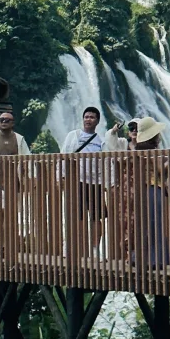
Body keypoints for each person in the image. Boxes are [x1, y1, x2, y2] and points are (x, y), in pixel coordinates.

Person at [62, 106, 120, 255]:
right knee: (78, 216)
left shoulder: (100, 142)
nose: (88, 119)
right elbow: (64, 154)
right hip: (77, 181)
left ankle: (95, 249)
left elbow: (108, 163)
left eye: (92, 117)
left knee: (97, 217)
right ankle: (79, 248)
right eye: (86, 117)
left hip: (96, 182)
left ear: (97, 121)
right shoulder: (73, 135)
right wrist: (60, 176)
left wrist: (111, 183)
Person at [133, 116, 168, 270]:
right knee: (156, 223)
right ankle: (155, 259)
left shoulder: (138, 150)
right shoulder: (154, 151)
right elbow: (160, 170)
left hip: (142, 189)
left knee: (144, 224)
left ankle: (139, 257)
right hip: (155, 187)